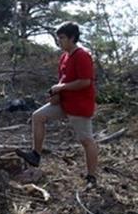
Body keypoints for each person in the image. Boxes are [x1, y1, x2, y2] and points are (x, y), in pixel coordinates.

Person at [16, 22, 98, 187]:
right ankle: (35, 155)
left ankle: (92, 177)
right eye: (58, 38)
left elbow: (85, 82)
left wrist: (62, 87)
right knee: (38, 116)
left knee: (86, 140)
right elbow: (63, 80)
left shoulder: (82, 55)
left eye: (61, 38)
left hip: (80, 106)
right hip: (65, 103)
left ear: (72, 38)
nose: (58, 41)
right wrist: (56, 95)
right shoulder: (64, 56)